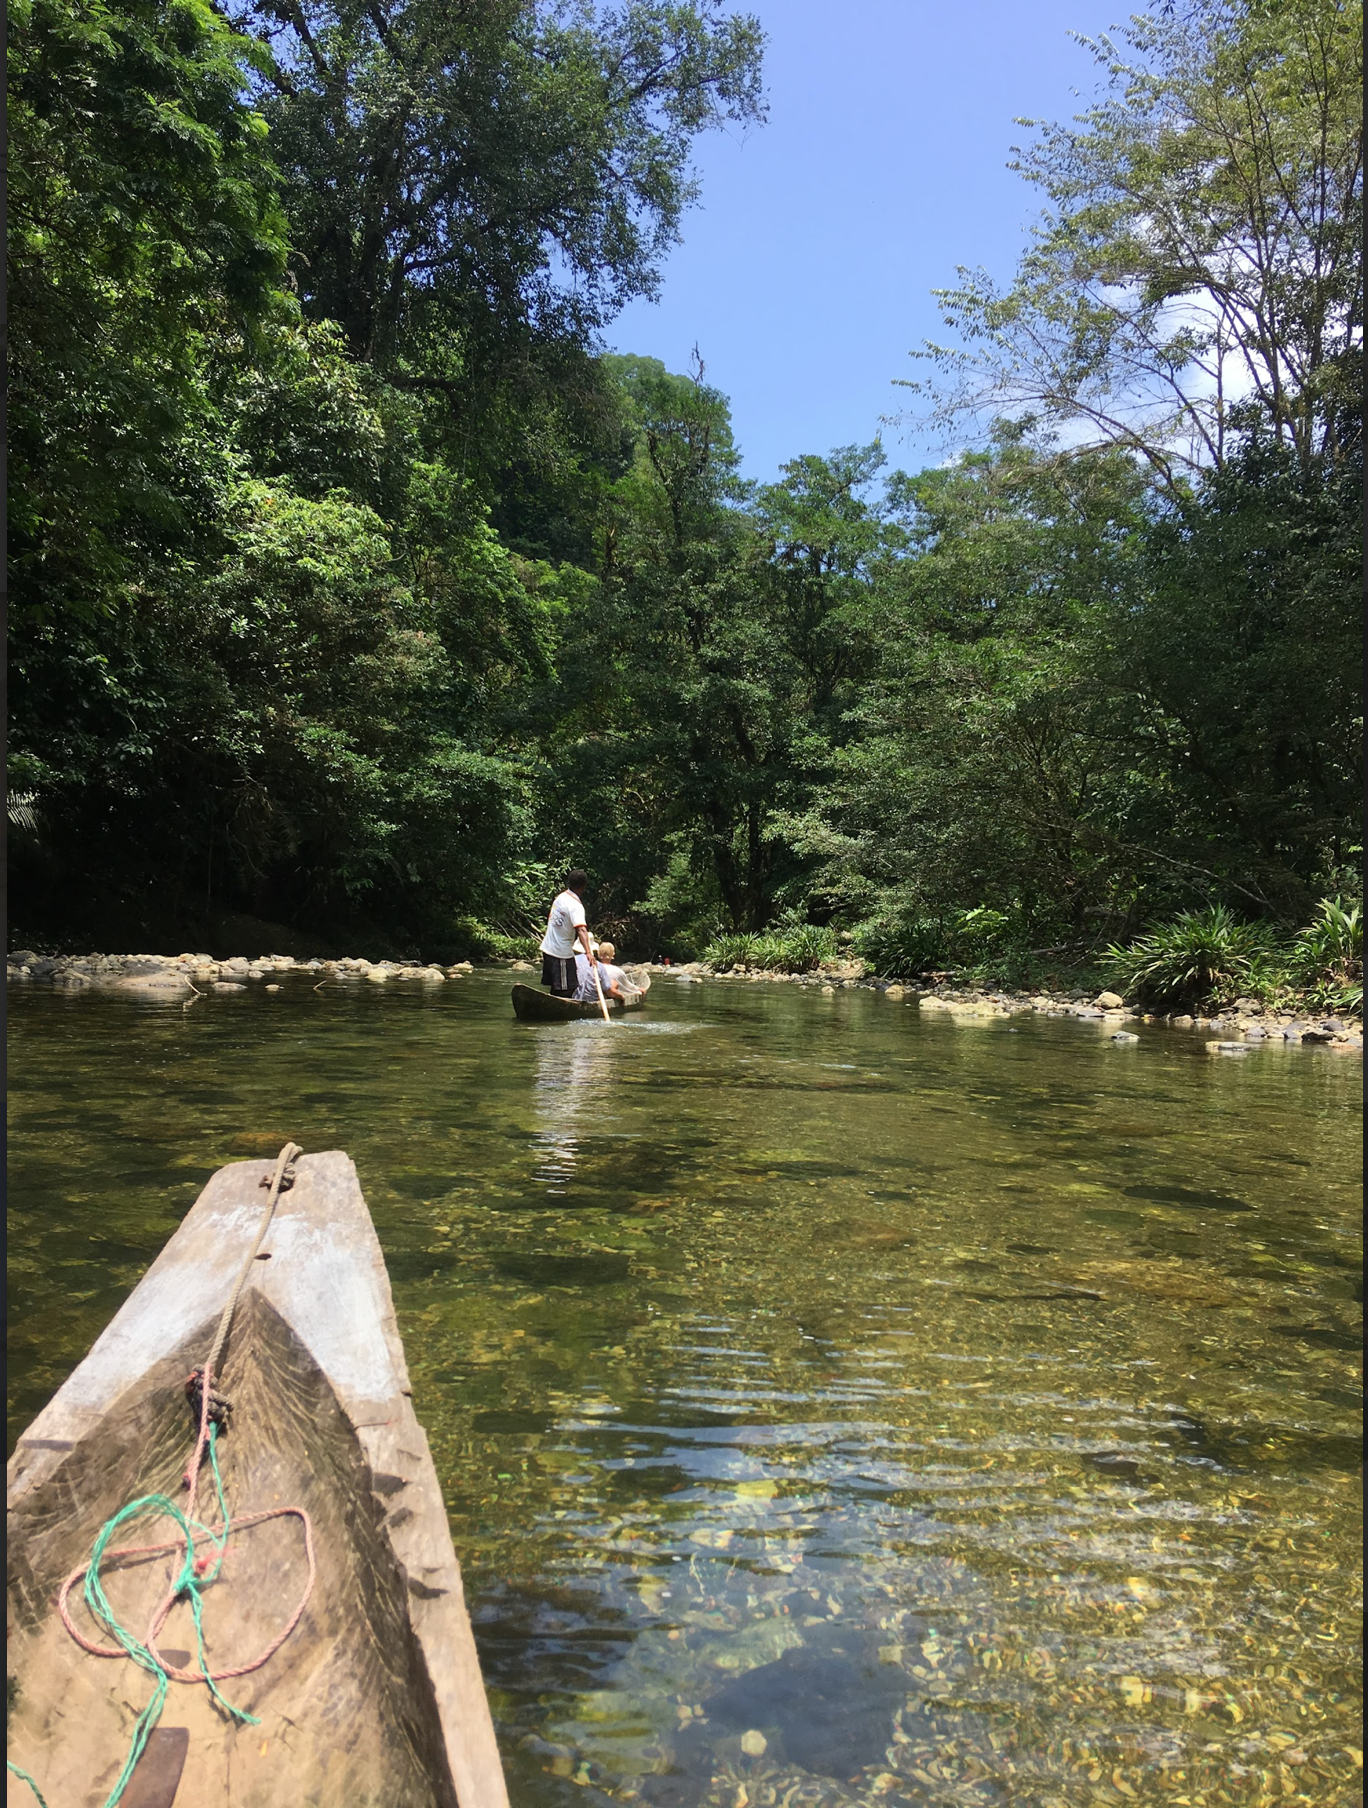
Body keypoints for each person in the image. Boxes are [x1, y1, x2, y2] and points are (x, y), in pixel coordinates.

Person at [540, 869, 596, 997]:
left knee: (557, 986)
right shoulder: (575, 906)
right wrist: (588, 952)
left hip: (548, 949)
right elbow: (581, 929)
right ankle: (558, 1012)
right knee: (567, 988)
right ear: (584, 886)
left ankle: (552, 1007)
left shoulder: (560, 898)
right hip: (561, 953)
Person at [573, 940, 637, 1005]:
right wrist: (620, 996)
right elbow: (610, 992)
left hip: (575, 998)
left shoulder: (571, 962)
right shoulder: (598, 965)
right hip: (593, 999)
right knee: (613, 983)